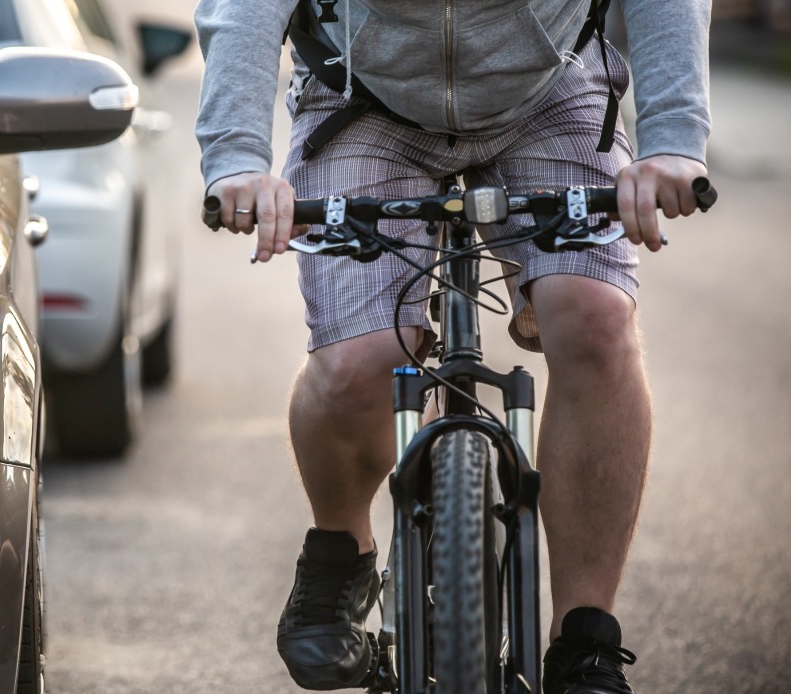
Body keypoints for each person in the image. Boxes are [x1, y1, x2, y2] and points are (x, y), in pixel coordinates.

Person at [194, 0, 710, 691]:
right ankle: (340, 550)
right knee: (359, 361)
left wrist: (673, 139)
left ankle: (584, 636)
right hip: (362, 94)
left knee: (592, 317)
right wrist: (235, 158)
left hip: (548, 87)